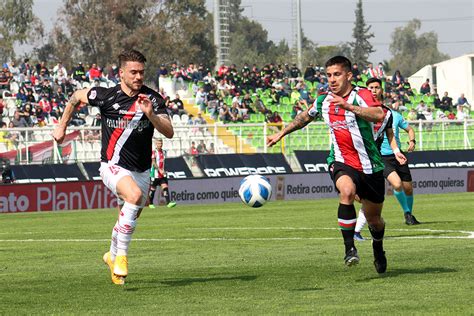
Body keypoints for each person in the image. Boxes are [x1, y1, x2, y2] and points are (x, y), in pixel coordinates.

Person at [267, 56, 401, 273]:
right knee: (346, 191)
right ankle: (350, 249)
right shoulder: (323, 100)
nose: (332, 79)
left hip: (370, 165)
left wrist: (349, 106)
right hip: (341, 161)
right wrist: (282, 133)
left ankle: (378, 248)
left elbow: (378, 114)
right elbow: (304, 117)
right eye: (328, 75)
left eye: (337, 74)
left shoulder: (362, 94)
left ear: (348, 75)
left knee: (375, 219)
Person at [53, 49, 174, 285]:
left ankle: (111, 255)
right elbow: (76, 97)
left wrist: (151, 115)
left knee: (129, 216)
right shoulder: (106, 95)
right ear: (121, 74)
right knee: (135, 196)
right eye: (133, 72)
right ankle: (122, 257)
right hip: (112, 165)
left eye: (141, 72)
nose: (139, 77)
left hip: (140, 170)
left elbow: (168, 131)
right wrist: (62, 126)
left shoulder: (153, 99)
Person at [354, 78, 418, 241]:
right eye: (371, 88)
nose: (374, 90)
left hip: (383, 156)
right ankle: (356, 231)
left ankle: (407, 214)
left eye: (377, 87)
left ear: (381, 90)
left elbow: (392, 135)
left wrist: (398, 150)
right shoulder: (360, 112)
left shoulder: (389, 114)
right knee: (386, 188)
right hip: (372, 157)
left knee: (406, 188)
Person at [149, 139, 176, 209]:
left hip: (162, 174)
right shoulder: (154, 152)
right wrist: (159, 170)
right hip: (155, 174)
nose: (160, 145)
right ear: (156, 144)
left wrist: (164, 170)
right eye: (158, 143)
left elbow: (163, 162)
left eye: (161, 143)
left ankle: (168, 203)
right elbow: (154, 163)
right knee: (153, 189)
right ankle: (150, 203)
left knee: (165, 187)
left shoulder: (163, 152)